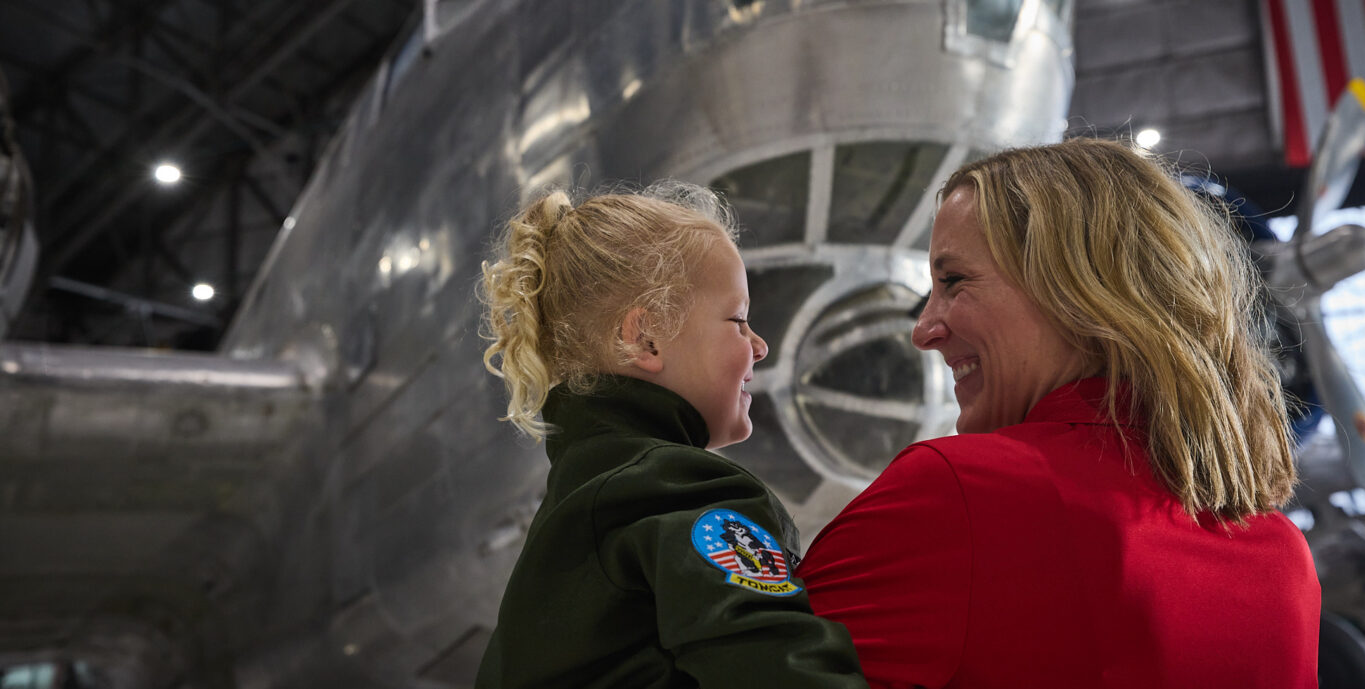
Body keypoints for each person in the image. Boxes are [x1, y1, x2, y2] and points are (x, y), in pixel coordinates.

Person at [796, 138, 1320, 688]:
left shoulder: (961, 493)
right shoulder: (1284, 558)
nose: (924, 330)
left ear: (1079, 287)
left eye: (953, 282)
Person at [473, 181, 866, 689]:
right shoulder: (676, 491)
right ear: (645, 338)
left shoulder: (576, 511)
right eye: (739, 320)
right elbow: (778, 666)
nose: (760, 346)